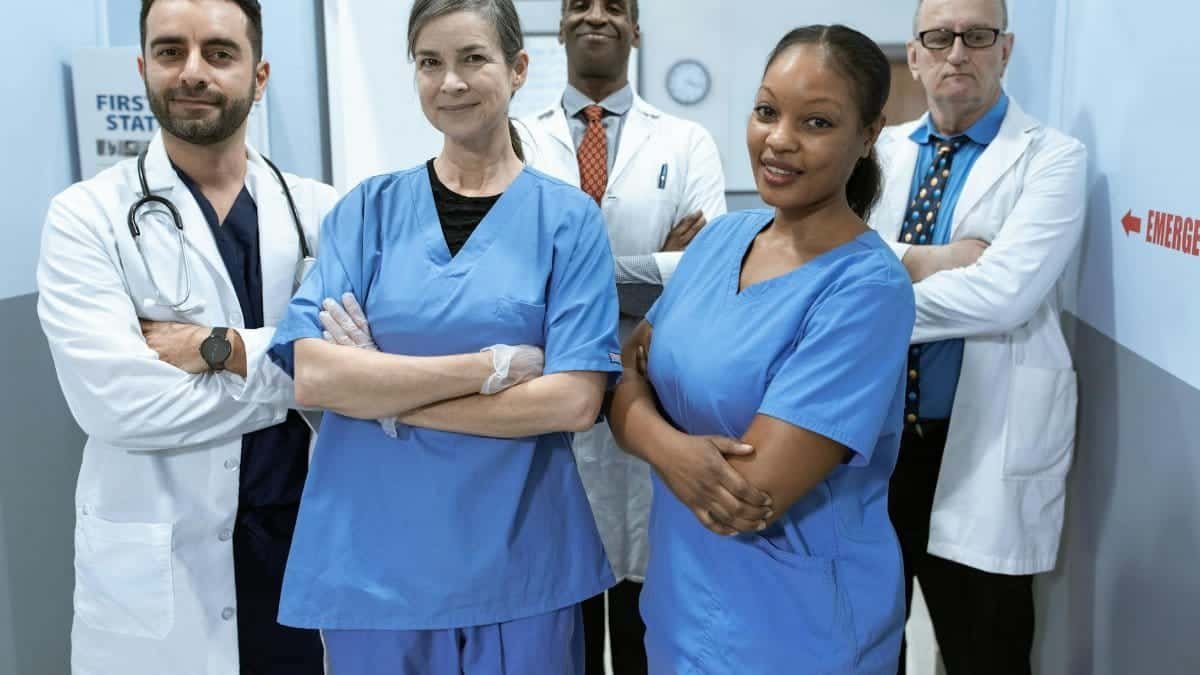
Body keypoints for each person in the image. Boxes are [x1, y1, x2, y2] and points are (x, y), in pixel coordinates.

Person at [265, 0, 622, 673]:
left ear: (518, 69)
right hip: (374, 565)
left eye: (472, 59)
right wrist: (491, 365)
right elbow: (314, 374)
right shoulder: (367, 212)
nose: (449, 82)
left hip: (519, 563)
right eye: (429, 63)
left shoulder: (567, 222)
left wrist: (382, 389)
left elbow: (572, 400)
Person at [35, 1, 338, 673]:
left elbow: (362, 373)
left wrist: (219, 349)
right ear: (144, 68)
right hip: (161, 581)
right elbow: (119, 405)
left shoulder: (324, 211)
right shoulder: (87, 219)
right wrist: (301, 375)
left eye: (219, 53)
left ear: (260, 76)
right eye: (171, 52)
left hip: (301, 555)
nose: (192, 71)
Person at [609, 24, 915, 674]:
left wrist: (641, 423)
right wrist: (675, 448)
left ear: (868, 135)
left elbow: (744, 496)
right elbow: (626, 370)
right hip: (679, 611)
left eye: (817, 122)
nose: (779, 139)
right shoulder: (721, 240)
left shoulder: (866, 288)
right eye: (767, 111)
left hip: (800, 633)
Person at [868, 1, 1087, 673]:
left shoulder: (1052, 158)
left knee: (985, 650)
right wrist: (936, 256)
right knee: (867, 646)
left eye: (977, 35)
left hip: (980, 450)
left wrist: (872, 281)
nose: (956, 50)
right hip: (874, 445)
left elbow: (1003, 295)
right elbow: (825, 258)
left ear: (1005, 49)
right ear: (914, 55)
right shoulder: (877, 151)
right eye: (938, 36)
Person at [518, 1, 726, 671]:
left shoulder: (686, 141)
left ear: (636, 29)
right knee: (563, 610)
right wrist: (652, 264)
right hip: (549, 394)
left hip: (653, 391)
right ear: (561, 25)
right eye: (580, 3)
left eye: (615, 5)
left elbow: (702, 274)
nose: (596, 15)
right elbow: (513, 274)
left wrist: (570, 277)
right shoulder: (518, 137)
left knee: (647, 614)